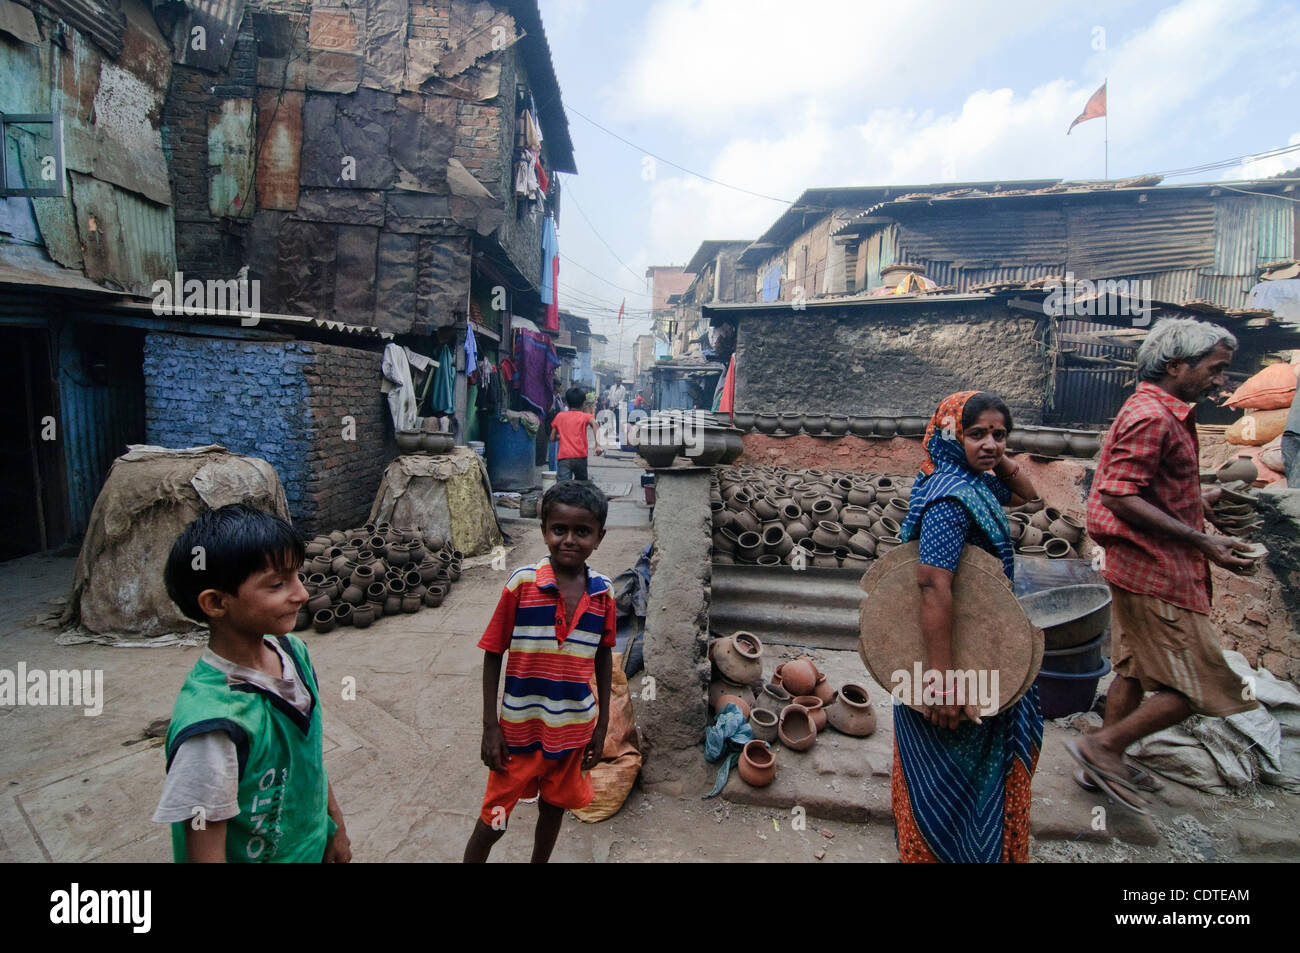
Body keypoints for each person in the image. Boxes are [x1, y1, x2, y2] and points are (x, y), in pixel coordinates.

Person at [1072, 317, 1258, 811]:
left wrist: (1198, 497)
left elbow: (1144, 485)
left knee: (1131, 672)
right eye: (1216, 369)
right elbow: (1117, 493)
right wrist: (1201, 539)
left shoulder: (1158, 410)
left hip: (1139, 566)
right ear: (1177, 365)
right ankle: (1103, 746)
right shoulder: (1155, 416)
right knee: (1199, 685)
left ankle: (1101, 765)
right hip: (1158, 572)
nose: (1221, 380)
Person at [892, 391, 1043, 863]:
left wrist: (996, 457)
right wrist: (941, 681)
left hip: (979, 646)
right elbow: (934, 586)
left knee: (973, 777)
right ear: (950, 435)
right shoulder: (950, 499)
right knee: (951, 779)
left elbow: (1028, 496)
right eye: (975, 433)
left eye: (1000, 435)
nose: (991, 444)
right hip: (952, 664)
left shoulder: (971, 481)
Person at [153, 504, 350, 862]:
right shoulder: (212, 730)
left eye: (297, 576)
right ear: (215, 603)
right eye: (277, 584)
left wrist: (334, 826)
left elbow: (308, 762)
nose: (302, 594)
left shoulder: (294, 653)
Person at [463, 482, 615, 862]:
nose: (568, 540)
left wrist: (602, 727)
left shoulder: (603, 594)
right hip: (518, 733)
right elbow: (493, 651)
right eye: (558, 529)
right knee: (494, 820)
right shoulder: (522, 584)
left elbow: (603, 656)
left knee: (554, 807)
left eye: (582, 531)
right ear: (543, 528)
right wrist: (489, 726)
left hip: (573, 730)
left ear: (599, 537)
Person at [550, 385, 603, 482]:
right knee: (581, 485)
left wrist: (564, 436)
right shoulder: (585, 416)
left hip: (564, 457)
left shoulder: (559, 416)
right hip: (580, 456)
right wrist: (597, 445)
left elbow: (552, 437)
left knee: (563, 486)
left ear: (566, 403)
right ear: (583, 404)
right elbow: (595, 424)